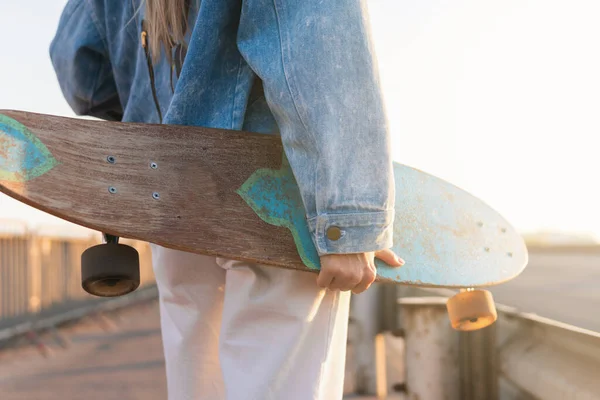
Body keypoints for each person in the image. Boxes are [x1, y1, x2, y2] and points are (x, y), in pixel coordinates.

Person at [50, 0, 403, 398]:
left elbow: (81, 67)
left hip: (169, 205)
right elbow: (319, 33)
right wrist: (348, 214)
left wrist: (145, 119)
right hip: (271, 205)